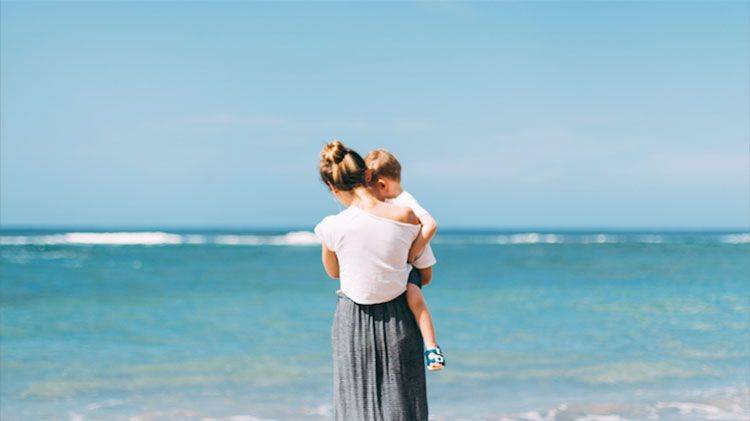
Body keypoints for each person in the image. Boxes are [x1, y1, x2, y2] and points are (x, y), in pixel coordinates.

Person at [314, 140, 428, 420]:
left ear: (332, 187)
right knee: (404, 401)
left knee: (355, 404)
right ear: (367, 174)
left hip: (353, 320)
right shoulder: (406, 216)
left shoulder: (332, 226)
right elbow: (425, 273)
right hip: (399, 315)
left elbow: (334, 272)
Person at [365, 149, 445, 370]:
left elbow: (431, 225)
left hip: (415, 262)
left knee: (414, 298)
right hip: (406, 261)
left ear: (382, 184)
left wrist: (414, 250)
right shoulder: (392, 201)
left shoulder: (405, 200)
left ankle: (432, 348)